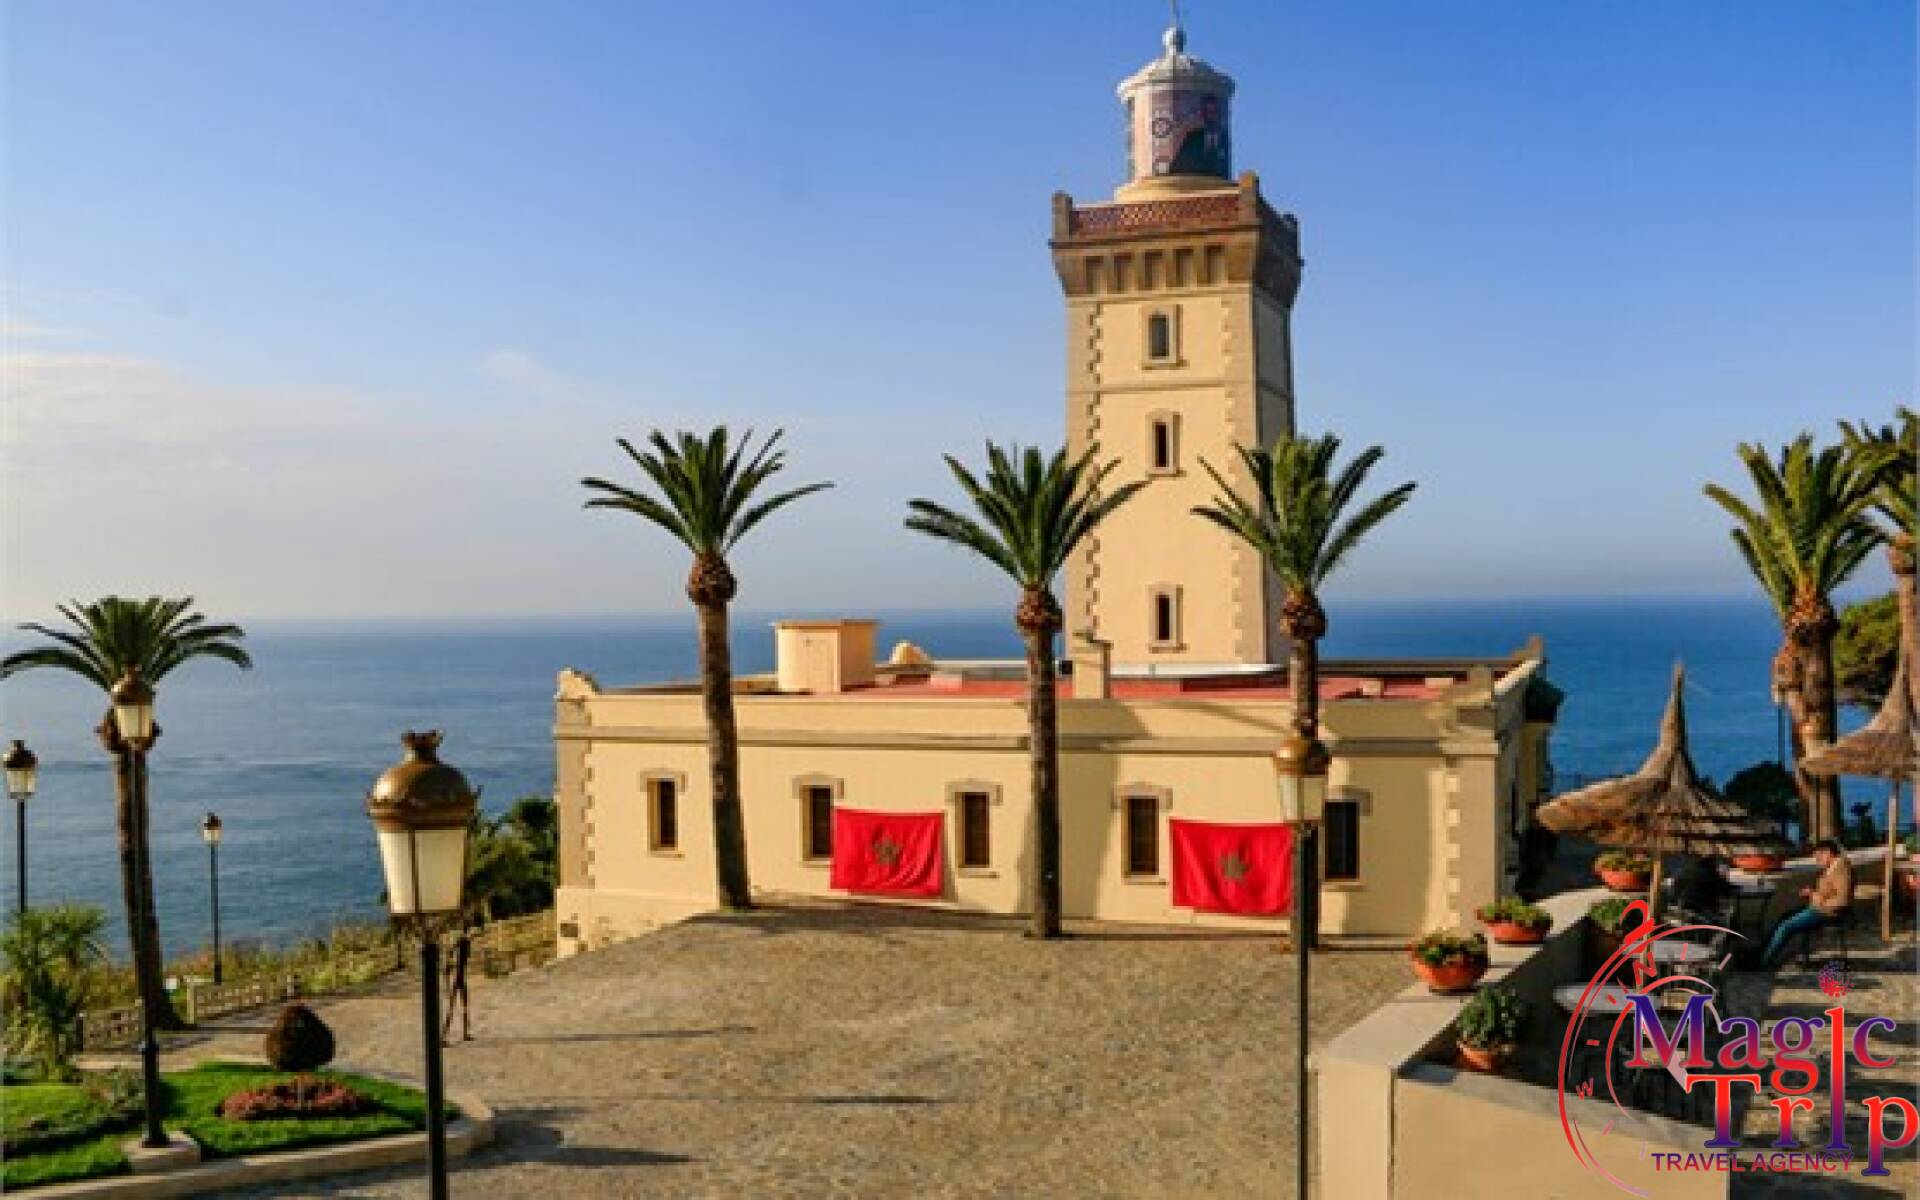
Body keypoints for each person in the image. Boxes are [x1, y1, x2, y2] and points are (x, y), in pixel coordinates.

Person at [1761, 840, 1853, 967]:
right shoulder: (1832, 868)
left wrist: (1817, 898)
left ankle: (1764, 961)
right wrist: (1812, 893)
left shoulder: (1841, 870)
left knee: (1786, 926)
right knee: (1784, 917)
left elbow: (1842, 900)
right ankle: (1763, 952)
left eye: (1819, 857)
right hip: (1818, 907)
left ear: (1828, 853)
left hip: (1827, 912)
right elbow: (1829, 891)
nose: (1817, 861)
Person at [441, 921, 474, 1045]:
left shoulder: (460, 942)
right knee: (453, 1007)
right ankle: (444, 1036)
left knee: (462, 1005)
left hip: (459, 976)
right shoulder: (462, 942)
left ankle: (464, 1032)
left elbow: (452, 961)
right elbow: (453, 961)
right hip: (457, 977)